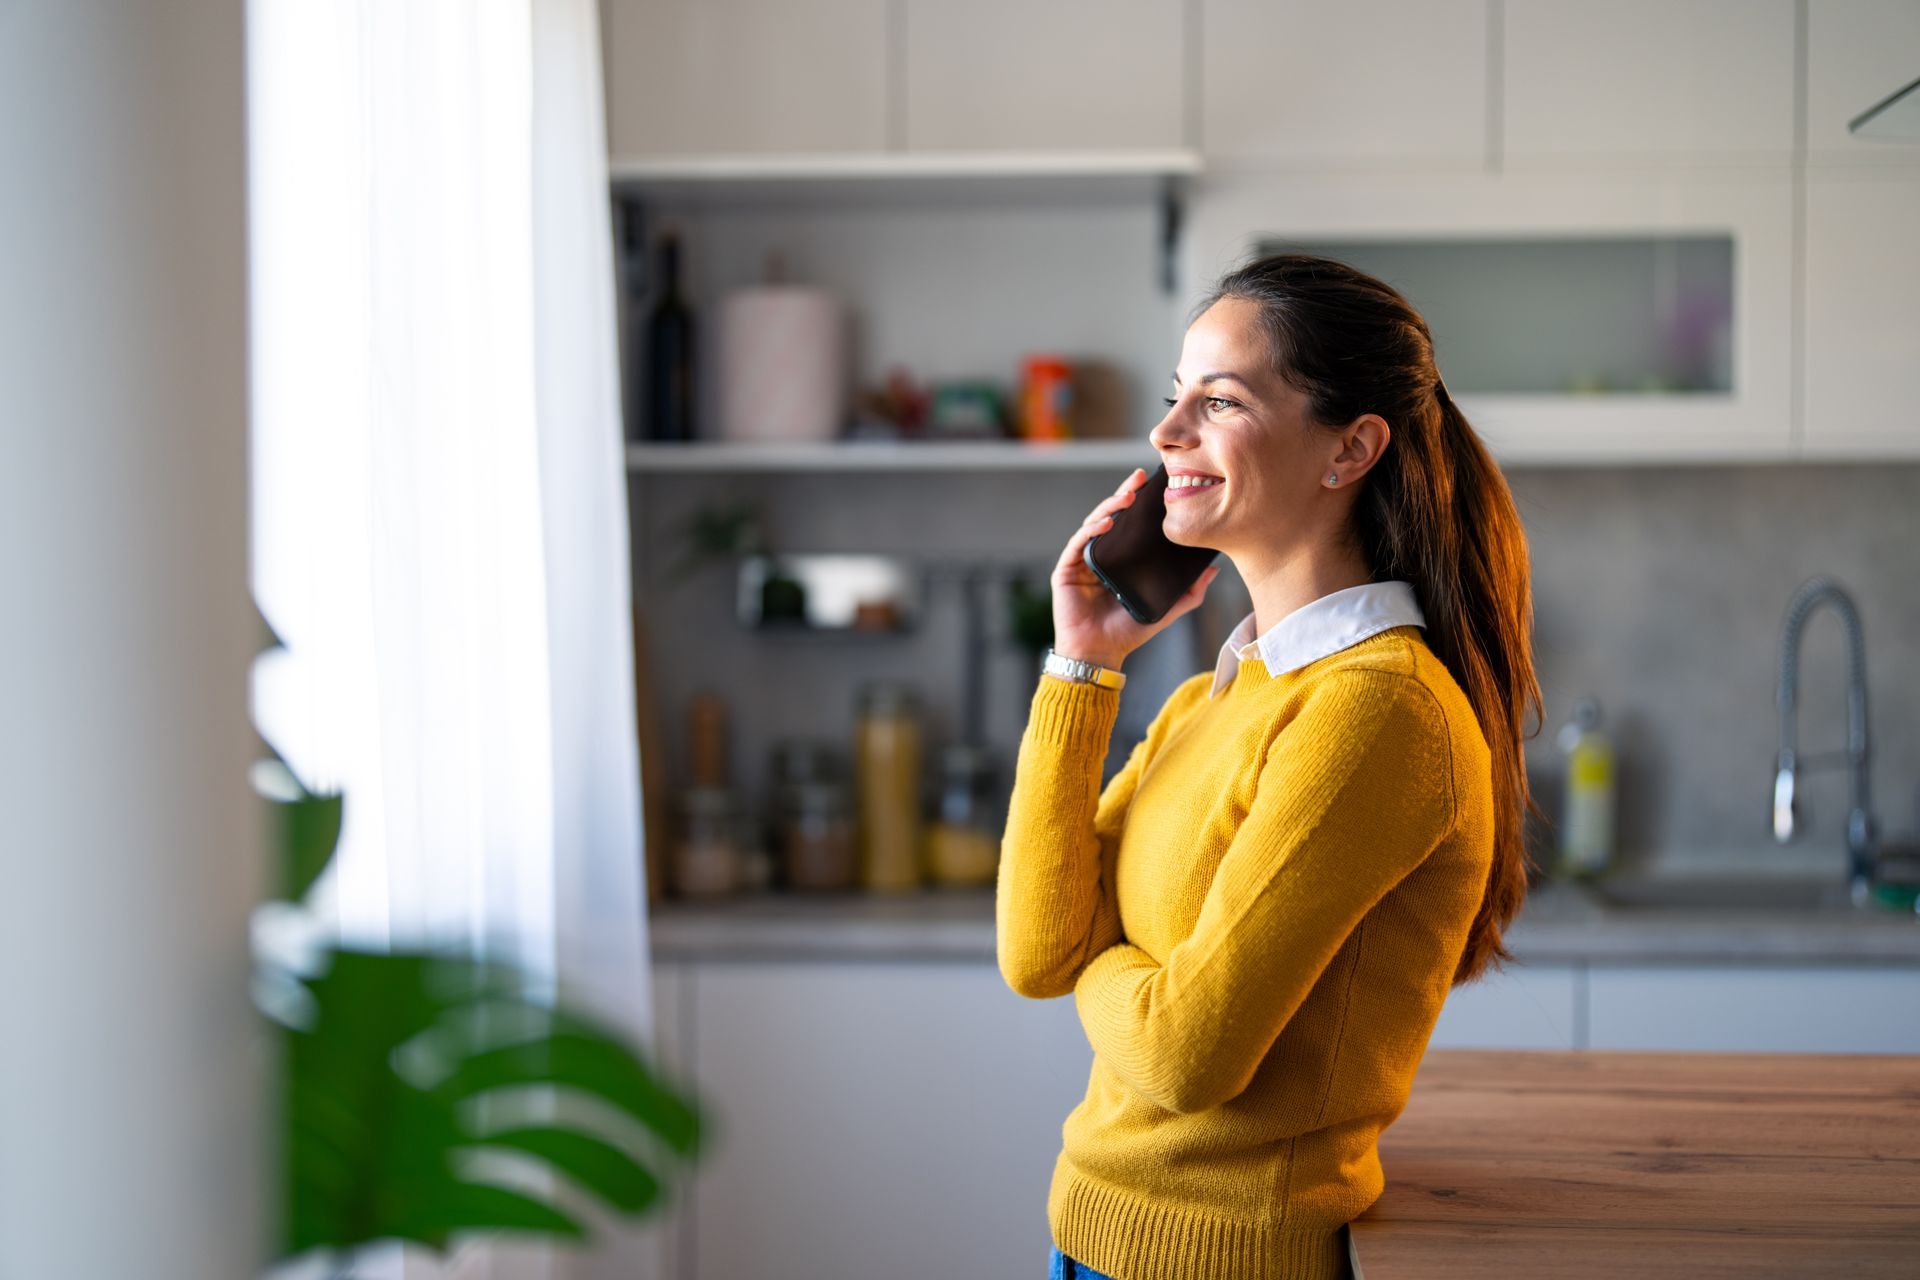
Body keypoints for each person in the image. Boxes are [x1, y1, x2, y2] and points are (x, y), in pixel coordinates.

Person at [999, 252, 1545, 1280]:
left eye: (1219, 401)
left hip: (1232, 1259)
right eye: (1175, 399)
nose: (1167, 436)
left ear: (1350, 449)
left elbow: (1183, 1053)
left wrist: (1099, 953)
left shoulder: (1378, 712)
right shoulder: (1222, 693)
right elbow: (1036, 949)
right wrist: (1085, 662)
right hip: (1090, 1236)